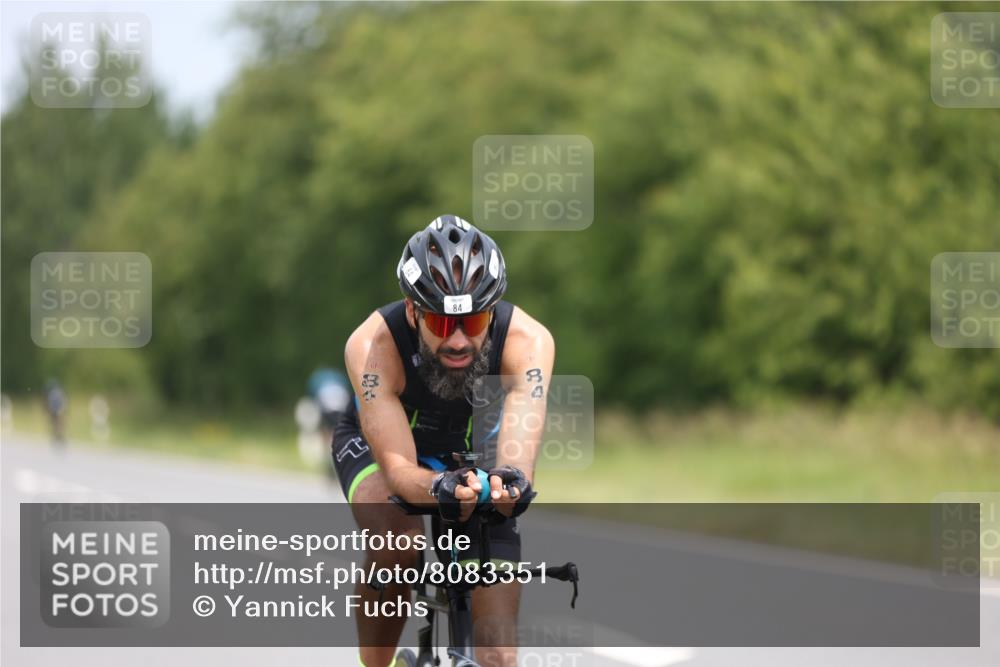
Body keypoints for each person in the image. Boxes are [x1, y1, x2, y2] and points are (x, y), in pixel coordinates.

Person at [333, 215, 554, 667]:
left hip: (475, 452)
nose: (457, 340)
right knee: (398, 541)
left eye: (473, 322)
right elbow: (399, 471)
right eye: (440, 320)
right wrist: (438, 487)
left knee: (497, 657)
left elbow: (517, 458)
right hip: (383, 446)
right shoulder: (372, 345)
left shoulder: (528, 341)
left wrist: (511, 484)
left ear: (492, 310)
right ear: (412, 311)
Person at [43, 379, 67, 449]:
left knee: (55, 426)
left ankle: (58, 439)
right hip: (59, 411)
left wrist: (49, 411)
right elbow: (64, 402)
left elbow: (50, 404)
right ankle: (59, 439)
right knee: (59, 426)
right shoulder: (60, 392)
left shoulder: (52, 394)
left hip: (55, 411)